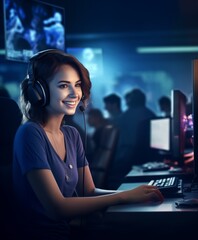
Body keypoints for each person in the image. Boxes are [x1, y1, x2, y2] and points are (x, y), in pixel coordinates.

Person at [12, 49, 164, 240]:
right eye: (63, 85)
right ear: (38, 92)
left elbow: (89, 191)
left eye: (77, 85)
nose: (75, 93)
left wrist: (135, 194)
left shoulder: (71, 134)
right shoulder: (30, 133)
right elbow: (56, 208)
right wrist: (124, 196)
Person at [108, 88, 156, 189]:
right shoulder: (151, 115)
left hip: (124, 163)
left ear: (129, 101)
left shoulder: (123, 118)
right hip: (147, 162)